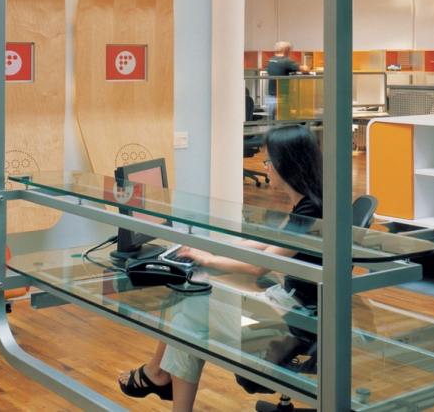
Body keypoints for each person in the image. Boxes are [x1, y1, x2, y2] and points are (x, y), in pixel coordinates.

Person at [118, 124, 323, 412]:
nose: (264, 166)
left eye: (268, 159)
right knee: (186, 315)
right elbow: (265, 245)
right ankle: (159, 376)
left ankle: (157, 374)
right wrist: (213, 248)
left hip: (297, 319)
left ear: (285, 164)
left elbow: (257, 267)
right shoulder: (310, 205)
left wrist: (208, 259)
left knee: (186, 306)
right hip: (290, 304)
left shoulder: (311, 214)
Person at [264, 41, 308, 117]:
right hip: (282, 97)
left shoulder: (270, 61)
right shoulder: (286, 61)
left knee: (272, 123)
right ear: (285, 51)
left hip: (270, 97)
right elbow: (304, 69)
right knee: (282, 123)